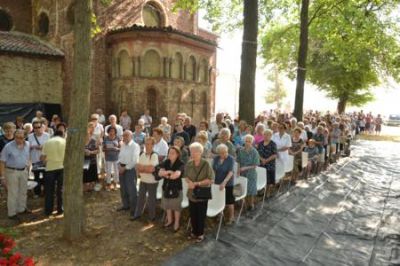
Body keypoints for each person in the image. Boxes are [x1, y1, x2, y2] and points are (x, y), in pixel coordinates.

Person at [185, 142, 214, 243]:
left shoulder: (206, 164)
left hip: (201, 193)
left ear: (200, 152)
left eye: (195, 151)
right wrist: (189, 182)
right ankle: (193, 232)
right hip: (191, 193)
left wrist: (197, 183)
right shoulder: (189, 164)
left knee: (201, 214)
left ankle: (200, 233)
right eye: (191, 151)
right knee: (192, 213)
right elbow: (186, 177)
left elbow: (211, 179)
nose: (192, 153)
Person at [0, 130, 31, 220]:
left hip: (24, 171)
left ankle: (21, 209)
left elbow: (28, 155)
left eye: (21, 137)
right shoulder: (8, 146)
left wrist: (28, 164)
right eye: (16, 137)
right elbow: (2, 162)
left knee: (23, 191)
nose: (18, 139)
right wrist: (2, 177)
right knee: (13, 193)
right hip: (11, 172)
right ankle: (12, 213)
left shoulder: (28, 144)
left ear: (25, 137)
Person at [132, 137, 159, 222]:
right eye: (145, 143)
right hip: (143, 180)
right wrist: (145, 169)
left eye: (148, 144)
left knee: (151, 200)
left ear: (152, 145)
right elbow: (137, 167)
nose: (146, 145)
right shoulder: (142, 154)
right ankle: (137, 214)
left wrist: (143, 168)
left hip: (152, 182)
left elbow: (151, 169)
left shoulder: (154, 155)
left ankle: (152, 217)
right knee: (140, 198)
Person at [158, 146, 185, 232]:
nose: (170, 154)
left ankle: (176, 223)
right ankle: (170, 220)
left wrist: (166, 174)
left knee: (176, 207)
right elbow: (159, 173)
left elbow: (175, 176)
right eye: (169, 153)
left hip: (176, 189)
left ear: (177, 154)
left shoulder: (181, 163)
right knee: (168, 205)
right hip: (166, 187)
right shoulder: (166, 162)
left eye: (173, 153)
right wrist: (169, 172)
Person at [41, 130, 66, 216]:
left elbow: (43, 157)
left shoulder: (47, 142)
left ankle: (48, 211)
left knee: (49, 191)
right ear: (62, 135)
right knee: (61, 190)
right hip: (62, 167)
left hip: (50, 168)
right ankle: (60, 209)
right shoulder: (65, 141)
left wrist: (45, 162)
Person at [117, 130, 140, 219]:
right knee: (123, 188)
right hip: (121, 168)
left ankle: (134, 210)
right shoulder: (122, 145)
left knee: (132, 190)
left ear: (131, 136)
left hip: (130, 169)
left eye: (127, 135)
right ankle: (125, 205)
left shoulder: (135, 146)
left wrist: (125, 168)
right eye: (124, 135)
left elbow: (134, 160)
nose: (125, 137)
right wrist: (119, 165)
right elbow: (119, 156)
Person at [212, 144, 235, 225]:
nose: (225, 154)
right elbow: (214, 170)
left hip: (228, 183)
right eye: (222, 153)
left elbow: (231, 172)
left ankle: (231, 217)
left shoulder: (231, 159)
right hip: (217, 182)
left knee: (229, 201)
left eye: (226, 152)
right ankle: (220, 215)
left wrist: (224, 182)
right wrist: (212, 179)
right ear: (218, 153)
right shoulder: (216, 158)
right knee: (219, 199)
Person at [237, 135, 260, 211]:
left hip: (251, 173)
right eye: (246, 141)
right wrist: (238, 171)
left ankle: (251, 204)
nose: (247, 143)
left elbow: (255, 165)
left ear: (252, 142)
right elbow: (238, 162)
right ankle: (243, 203)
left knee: (251, 189)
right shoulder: (241, 151)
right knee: (242, 188)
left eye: (249, 141)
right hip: (242, 173)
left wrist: (245, 168)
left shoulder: (255, 152)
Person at [28, 121, 50, 197]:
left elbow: (50, 147)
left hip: (45, 160)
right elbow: (27, 147)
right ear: (33, 128)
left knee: (46, 176)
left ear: (42, 127)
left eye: (39, 127)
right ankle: (37, 192)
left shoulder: (47, 136)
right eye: (35, 127)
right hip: (35, 160)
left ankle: (46, 192)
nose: (37, 129)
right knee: (36, 177)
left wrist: (42, 147)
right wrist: (31, 147)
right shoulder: (30, 136)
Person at [257, 129, 277, 195]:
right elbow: (257, 153)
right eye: (265, 134)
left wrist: (266, 160)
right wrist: (262, 159)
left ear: (271, 136)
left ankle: (268, 190)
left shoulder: (273, 144)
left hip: (270, 163)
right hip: (261, 162)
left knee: (268, 177)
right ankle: (262, 189)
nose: (266, 136)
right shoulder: (260, 143)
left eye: (268, 135)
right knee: (261, 176)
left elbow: (274, 155)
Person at [83, 122, 99, 192]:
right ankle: (86, 186)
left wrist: (90, 152)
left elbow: (97, 151)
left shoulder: (93, 141)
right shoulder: (82, 142)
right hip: (85, 160)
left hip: (92, 160)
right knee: (86, 173)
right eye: (86, 135)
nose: (87, 135)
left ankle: (92, 187)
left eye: (88, 134)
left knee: (93, 172)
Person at [103, 126, 121, 191]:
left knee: (116, 171)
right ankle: (109, 184)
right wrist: (106, 149)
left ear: (115, 132)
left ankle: (115, 183)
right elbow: (103, 148)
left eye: (113, 131)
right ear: (108, 131)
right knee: (108, 171)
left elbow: (121, 148)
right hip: (108, 157)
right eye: (110, 131)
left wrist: (117, 148)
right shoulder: (106, 138)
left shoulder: (118, 138)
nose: (111, 132)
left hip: (116, 157)